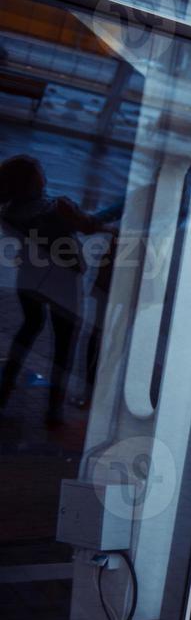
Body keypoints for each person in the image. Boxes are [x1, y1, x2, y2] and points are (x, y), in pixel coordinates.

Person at [0, 154, 115, 426]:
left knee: (29, 329)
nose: (44, 173)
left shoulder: (9, 212)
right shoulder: (59, 206)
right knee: (64, 347)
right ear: (32, 180)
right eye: (39, 170)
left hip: (29, 278)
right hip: (63, 284)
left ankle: (4, 390)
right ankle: (54, 409)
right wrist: (112, 227)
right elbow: (89, 225)